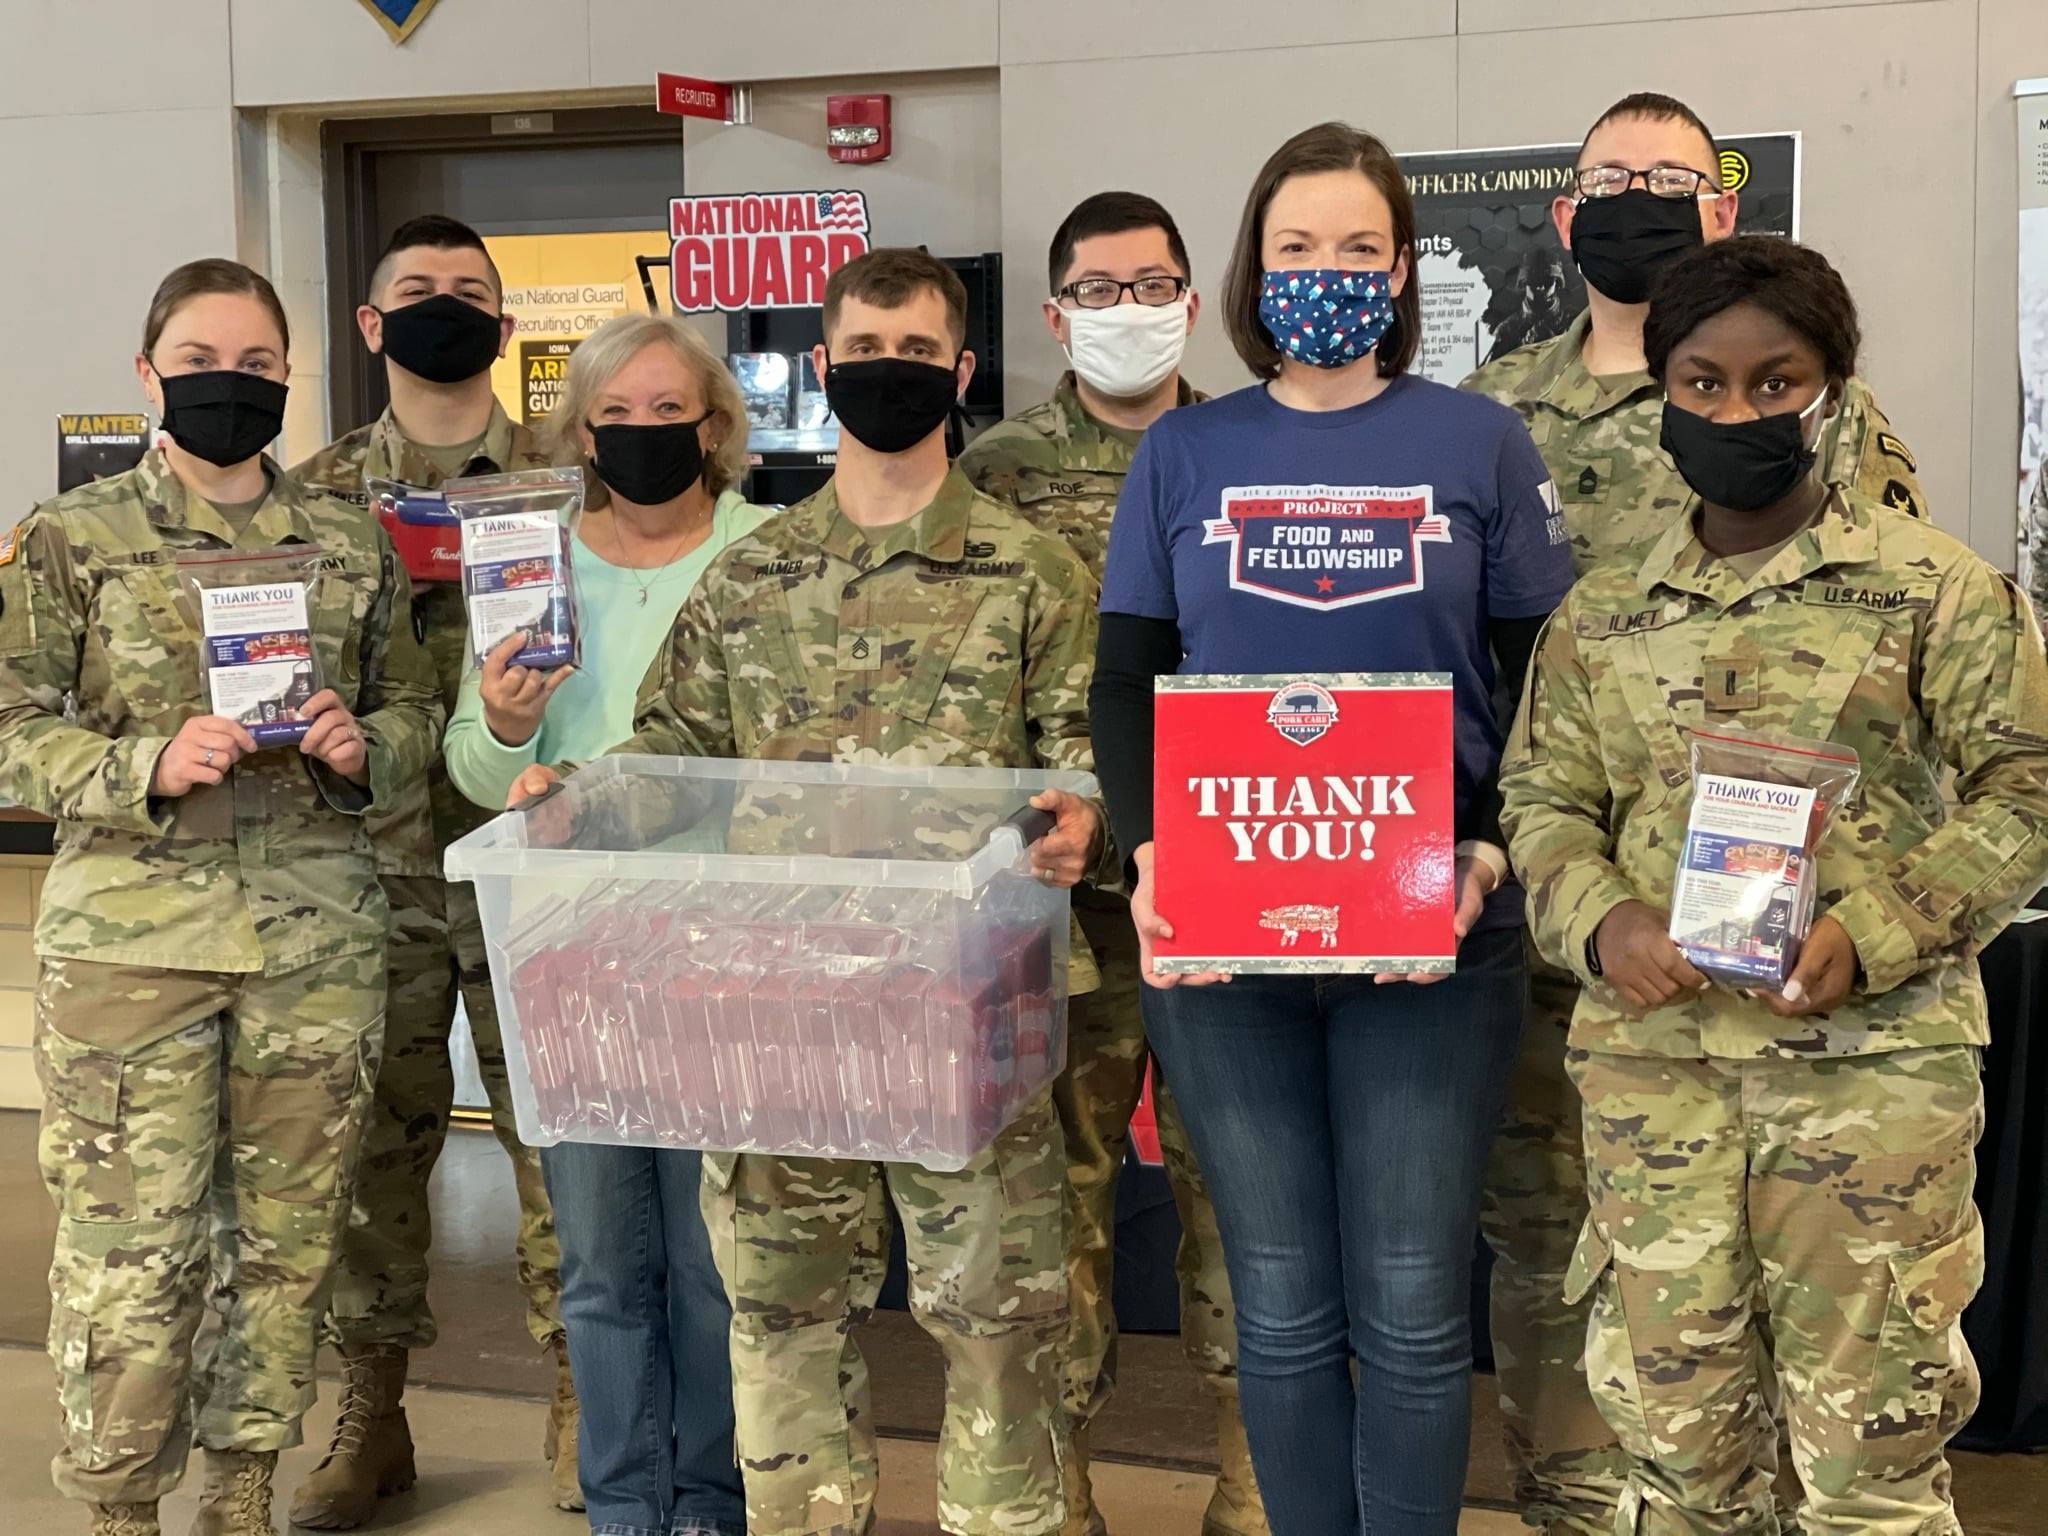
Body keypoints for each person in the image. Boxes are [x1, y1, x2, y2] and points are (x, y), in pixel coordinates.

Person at [509, 247, 1105, 1536]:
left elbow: (1083, 766)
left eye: (915, 355)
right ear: (823, 370)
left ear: (957, 374)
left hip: (968, 1014)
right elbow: (672, 754)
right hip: (781, 1012)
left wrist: (1082, 822)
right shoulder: (755, 575)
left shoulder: (1033, 574)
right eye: (864, 354)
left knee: (994, 1326)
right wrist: (570, 800)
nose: (887, 377)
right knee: (780, 1318)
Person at [1500, 233, 2048, 1535]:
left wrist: (1879, 929)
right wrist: (1604, 919)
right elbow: (1542, 804)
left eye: (1773, 381)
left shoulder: (1937, 593)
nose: (1736, 410)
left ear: (1833, 391)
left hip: (1868, 1097)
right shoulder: (1604, 611)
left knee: (1867, 1474)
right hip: (1660, 1094)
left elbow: (2028, 793)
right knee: (1685, 1470)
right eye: (1702, 383)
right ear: (1665, 395)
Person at [1090, 123, 1574, 1536]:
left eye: (1359, 247)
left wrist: (1487, 849)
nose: (1328, 273)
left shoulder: (1478, 439)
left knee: (1418, 1314)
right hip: (1230, 943)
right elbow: (1131, 680)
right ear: (1254, 267)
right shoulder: (1185, 452)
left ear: (1403, 268)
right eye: (1298, 247)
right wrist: (1151, 847)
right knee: (1286, 1310)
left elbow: (1547, 679)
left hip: (1438, 930)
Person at [1460, 92, 1928, 1534]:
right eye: (1611, 181)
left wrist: (1882, 907)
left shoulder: (1846, 433)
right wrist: (1576, 898)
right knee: (1567, 1248)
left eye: (1669, 178)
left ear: (1720, 205)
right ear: (1565, 213)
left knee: (1829, 1341)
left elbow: (1888, 646)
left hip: (1807, 968)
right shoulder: (1492, 412)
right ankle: (1575, 1505)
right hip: (1585, 931)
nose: (1638, 200)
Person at [0, 258, 441, 1536]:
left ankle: (242, 1487)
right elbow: (10, 722)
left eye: (255, 367)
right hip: (133, 950)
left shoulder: (348, 541)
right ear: (148, 374)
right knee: (130, 1247)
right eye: (199, 363)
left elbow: (414, 705)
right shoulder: (69, 540)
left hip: (316, 941)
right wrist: (137, 761)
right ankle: (120, 1507)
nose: (228, 387)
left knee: (289, 1241)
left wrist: (369, 747)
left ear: (289, 379)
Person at [956, 191, 1264, 1536]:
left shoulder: (1251, 448)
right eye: (1099, 288)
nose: (1126, 310)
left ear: (1191, 302)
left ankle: (1254, 1473)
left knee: (1240, 1188)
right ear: (1054, 313)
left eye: (1152, 286)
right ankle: (1063, 1474)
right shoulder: (998, 470)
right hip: (1059, 914)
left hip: (1226, 888)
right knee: (1060, 1194)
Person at [445, 312, 768, 1536]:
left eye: (667, 414)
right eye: (613, 418)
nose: (641, 437)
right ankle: (625, 1504)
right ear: (579, 433)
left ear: (715, 427)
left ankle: (712, 1497)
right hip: (567, 951)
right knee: (597, 1259)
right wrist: (511, 726)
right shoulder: (527, 567)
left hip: (721, 954)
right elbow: (472, 766)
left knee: (711, 1260)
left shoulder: (768, 554)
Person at [292, 215, 576, 1524]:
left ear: (504, 326)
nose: (444, 309)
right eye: (417, 292)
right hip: (376, 874)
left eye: (470, 293)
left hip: (541, 867)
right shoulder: (312, 492)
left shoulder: (573, 474)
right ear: (369, 324)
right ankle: (375, 1417)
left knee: (563, 1148)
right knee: (375, 1159)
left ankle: (588, 1404)